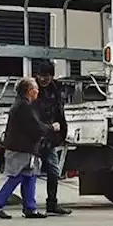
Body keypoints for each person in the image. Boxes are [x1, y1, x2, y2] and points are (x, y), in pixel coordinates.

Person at [0, 77, 58, 219]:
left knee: (30, 176)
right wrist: (51, 128)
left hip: (24, 148)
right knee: (17, 176)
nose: (38, 92)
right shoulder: (24, 106)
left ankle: (30, 208)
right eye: (36, 89)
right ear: (30, 91)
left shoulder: (21, 104)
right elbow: (35, 127)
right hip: (21, 149)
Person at [31, 59, 72, 216]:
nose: (43, 79)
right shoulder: (32, 89)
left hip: (50, 136)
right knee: (29, 172)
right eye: (41, 75)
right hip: (35, 135)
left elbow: (59, 112)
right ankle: (29, 205)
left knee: (54, 171)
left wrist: (61, 133)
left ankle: (52, 203)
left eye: (47, 76)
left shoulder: (55, 89)